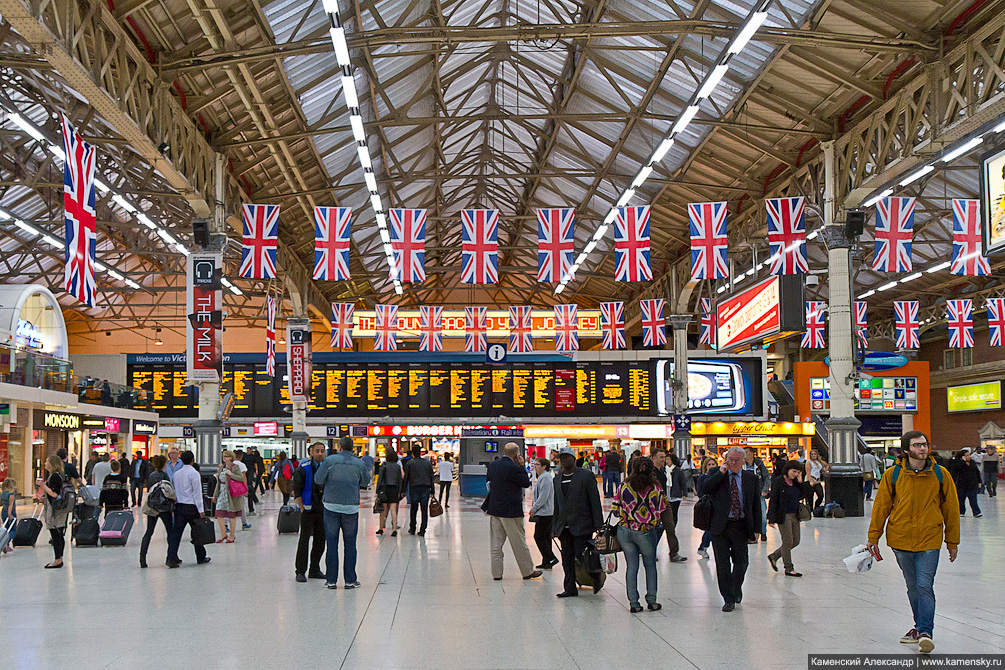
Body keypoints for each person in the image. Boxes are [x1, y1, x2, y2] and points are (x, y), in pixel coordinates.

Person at [867, 431, 959, 654]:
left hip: (930, 537)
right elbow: (881, 507)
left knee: (924, 585)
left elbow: (951, 508)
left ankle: (926, 632)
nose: (923, 449)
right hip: (901, 538)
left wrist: (952, 541)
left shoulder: (940, 473)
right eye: (917, 445)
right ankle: (919, 627)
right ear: (906, 450)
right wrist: (873, 537)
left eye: (925, 444)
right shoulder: (893, 475)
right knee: (913, 587)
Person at [699, 446, 762, 612]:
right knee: (722, 563)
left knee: (742, 562)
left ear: (743, 461)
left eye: (736, 460)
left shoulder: (751, 478)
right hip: (720, 525)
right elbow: (704, 490)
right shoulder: (716, 473)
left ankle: (735, 587)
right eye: (730, 460)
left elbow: (755, 504)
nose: (733, 463)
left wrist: (757, 527)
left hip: (740, 524)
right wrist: (721, 473)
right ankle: (728, 598)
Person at [314, 436, 369, 589]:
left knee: (331, 544)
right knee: (350, 543)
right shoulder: (360, 463)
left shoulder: (330, 461)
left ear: (339, 447)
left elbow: (318, 479)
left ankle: (331, 580)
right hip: (350, 507)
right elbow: (365, 482)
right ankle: (350, 580)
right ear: (352, 448)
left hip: (331, 506)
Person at [482, 443, 542, 581]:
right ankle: (527, 571)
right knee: (519, 542)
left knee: (496, 544)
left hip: (495, 509)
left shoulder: (493, 465)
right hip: (511, 511)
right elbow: (526, 483)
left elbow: (489, 485)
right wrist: (521, 466)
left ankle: (496, 573)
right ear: (517, 454)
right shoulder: (514, 467)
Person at [612, 456, 665, 612]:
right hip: (646, 531)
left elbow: (615, 511)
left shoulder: (624, 486)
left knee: (632, 566)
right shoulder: (656, 488)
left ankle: (634, 603)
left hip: (625, 531)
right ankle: (652, 600)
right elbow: (661, 508)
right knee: (650, 566)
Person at [552, 452, 603, 597]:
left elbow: (594, 500)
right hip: (564, 526)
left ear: (574, 459)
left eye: (566, 458)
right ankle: (569, 587)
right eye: (561, 459)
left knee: (581, 556)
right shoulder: (557, 480)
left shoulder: (585, 476)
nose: (563, 461)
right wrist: (554, 526)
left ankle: (595, 577)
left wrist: (598, 523)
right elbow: (556, 504)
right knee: (566, 557)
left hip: (583, 523)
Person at [166, 450, 211, 568]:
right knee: (197, 532)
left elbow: (174, 490)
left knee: (176, 534)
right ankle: (201, 557)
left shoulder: (177, 474)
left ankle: (171, 558)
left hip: (179, 507)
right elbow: (197, 493)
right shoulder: (194, 473)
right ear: (192, 460)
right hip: (192, 507)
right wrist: (201, 510)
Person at [292, 442, 327, 582]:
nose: (320, 454)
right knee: (304, 540)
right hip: (307, 510)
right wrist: (301, 508)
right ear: (311, 452)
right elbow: (297, 489)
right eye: (317, 451)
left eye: (322, 451)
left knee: (320, 540)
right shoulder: (303, 469)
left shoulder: (326, 467)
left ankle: (314, 569)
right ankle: (300, 571)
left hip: (322, 509)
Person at [766, 461, 805, 577]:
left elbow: (802, 496)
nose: (795, 474)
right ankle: (788, 568)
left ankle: (774, 556)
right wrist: (771, 518)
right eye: (794, 471)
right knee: (787, 541)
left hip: (795, 514)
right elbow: (774, 500)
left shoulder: (796, 483)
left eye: (798, 472)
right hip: (783, 515)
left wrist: (801, 482)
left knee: (796, 541)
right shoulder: (779, 481)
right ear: (787, 470)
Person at [139, 455, 174, 569]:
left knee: (149, 532)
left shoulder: (151, 475)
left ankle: (142, 558)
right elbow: (168, 491)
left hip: (152, 506)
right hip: (164, 507)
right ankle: (171, 557)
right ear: (164, 464)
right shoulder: (165, 476)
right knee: (170, 531)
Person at [39, 455, 72, 569]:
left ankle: (58, 560)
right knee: (58, 534)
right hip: (58, 508)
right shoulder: (57, 476)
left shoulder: (54, 477)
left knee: (56, 534)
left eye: (47, 461)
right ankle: (59, 558)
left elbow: (55, 494)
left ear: (52, 464)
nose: (45, 463)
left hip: (55, 510)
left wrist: (43, 486)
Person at [212, 450, 247, 543]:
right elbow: (218, 483)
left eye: (226, 456)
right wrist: (215, 495)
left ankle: (232, 535)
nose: (224, 458)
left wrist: (231, 474)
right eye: (223, 456)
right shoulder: (221, 467)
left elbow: (241, 478)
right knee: (219, 513)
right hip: (222, 493)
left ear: (231, 457)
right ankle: (223, 534)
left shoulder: (235, 467)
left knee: (231, 514)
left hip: (231, 494)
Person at [529, 458, 557, 570]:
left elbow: (543, 497)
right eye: (534, 464)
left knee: (538, 536)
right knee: (545, 537)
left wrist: (534, 508)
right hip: (546, 512)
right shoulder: (542, 477)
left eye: (537, 464)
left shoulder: (545, 478)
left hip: (545, 513)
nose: (535, 467)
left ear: (544, 466)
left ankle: (551, 557)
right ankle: (547, 562)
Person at [402, 446, 434, 536]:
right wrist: (433, 490)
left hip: (414, 488)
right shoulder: (427, 463)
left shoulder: (410, 463)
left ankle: (412, 528)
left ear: (413, 453)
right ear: (420, 452)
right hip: (425, 488)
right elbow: (431, 477)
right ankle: (423, 529)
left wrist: (403, 490)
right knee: (424, 510)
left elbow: (406, 478)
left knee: (414, 509)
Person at [743, 448, 771, 542]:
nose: (745, 455)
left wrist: (765, 489)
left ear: (752, 453)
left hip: (759, 493)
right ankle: (750, 535)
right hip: (746, 494)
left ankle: (763, 532)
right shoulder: (742, 465)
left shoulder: (759, 464)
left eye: (746, 452)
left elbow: (766, 477)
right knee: (748, 515)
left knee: (762, 515)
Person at [376, 446, 403, 536]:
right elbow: (400, 480)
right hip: (394, 489)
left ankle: (380, 528)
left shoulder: (384, 465)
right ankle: (394, 529)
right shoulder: (397, 466)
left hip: (384, 488)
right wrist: (399, 491)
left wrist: (377, 491)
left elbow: (380, 479)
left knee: (383, 510)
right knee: (393, 509)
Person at [695, 459, 719, 559]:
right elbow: (700, 492)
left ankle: (703, 547)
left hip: (717, 505)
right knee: (710, 528)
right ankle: (703, 547)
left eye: (713, 464)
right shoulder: (703, 478)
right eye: (709, 464)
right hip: (707, 506)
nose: (711, 466)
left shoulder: (719, 476)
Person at [953, 449, 982, 517]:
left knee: (973, 499)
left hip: (972, 484)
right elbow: (956, 470)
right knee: (961, 499)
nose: (969, 456)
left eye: (969, 455)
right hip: (962, 485)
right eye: (967, 455)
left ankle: (976, 512)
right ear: (963, 456)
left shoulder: (972, 462)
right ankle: (961, 511)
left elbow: (976, 472)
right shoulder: (958, 463)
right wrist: (963, 462)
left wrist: (979, 481)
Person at [232, 450, 252, 530]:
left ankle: (226, 525)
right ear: (241, 456)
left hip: (230, 487)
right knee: (241, 506)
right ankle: (244, 523)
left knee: (229, 506)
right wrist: (245, 489)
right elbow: (244, 477)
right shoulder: (242, 465)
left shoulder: (230, 464)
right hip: (239, 487)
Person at [1, 478, 17, 553]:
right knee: (13, 530)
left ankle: (4, 543)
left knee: (6, 528)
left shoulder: (3, 493)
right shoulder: (11, 494)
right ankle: (5, 543)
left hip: (3, 511)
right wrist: (10, 514)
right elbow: (10, 504)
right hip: (10, 512)